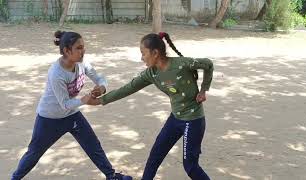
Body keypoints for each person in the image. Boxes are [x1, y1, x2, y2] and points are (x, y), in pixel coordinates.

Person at [87, 32, 213, 179]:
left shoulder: (182, 64)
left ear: (155, 53)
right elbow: (128, 88)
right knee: (155, 156)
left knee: (190, 166)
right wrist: (101, 100)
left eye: (143, 53)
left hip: (193, 120)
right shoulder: (151, 73)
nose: (141, 58)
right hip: (175, 118)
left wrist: (204, 89)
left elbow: (208, 64)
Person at [11, 31, 132, 180]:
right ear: (67, 51)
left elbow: (100, 78)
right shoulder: (56, 73)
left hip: (72, 114)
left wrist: (101, 87)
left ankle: (112, 176)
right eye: (79, 48)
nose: (83, 51)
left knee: (93, 145)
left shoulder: (82, 63)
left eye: (83, 47)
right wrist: (84, 100)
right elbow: (65, 104)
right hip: (50, 119)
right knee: (34, 153)